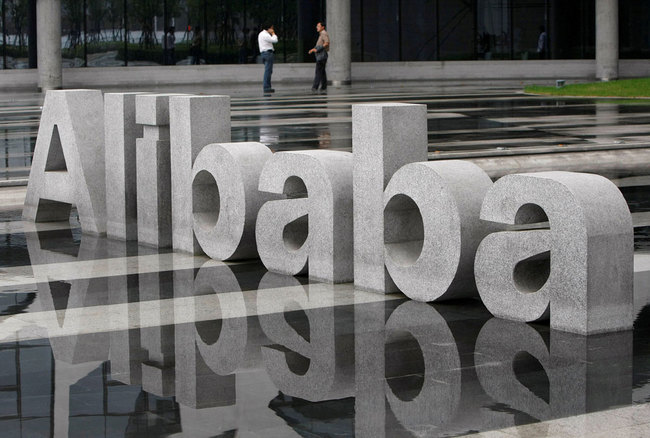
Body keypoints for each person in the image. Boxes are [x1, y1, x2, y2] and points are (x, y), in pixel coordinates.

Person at [308, 21, 330, 94]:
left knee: (318, 71)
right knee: (322, 71)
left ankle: (315, 86)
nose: (316, 27)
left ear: (322, 27)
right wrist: (313, 49)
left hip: (322, 55)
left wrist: (317, 49)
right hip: (321, 55)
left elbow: (326, 43)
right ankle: (324, 86)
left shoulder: (323, 33)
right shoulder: (321, 34)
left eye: (318, 26)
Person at [258, 24, 278, 93]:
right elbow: (275, 40)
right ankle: (266, 87)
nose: (272, 29)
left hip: (264, 53)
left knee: (268, 70)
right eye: (272, 28)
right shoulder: (265, 35)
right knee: (268, 71)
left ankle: (268, 86)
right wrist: (273, 33)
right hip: (268, 53)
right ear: (268, 28)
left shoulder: (261, 34)